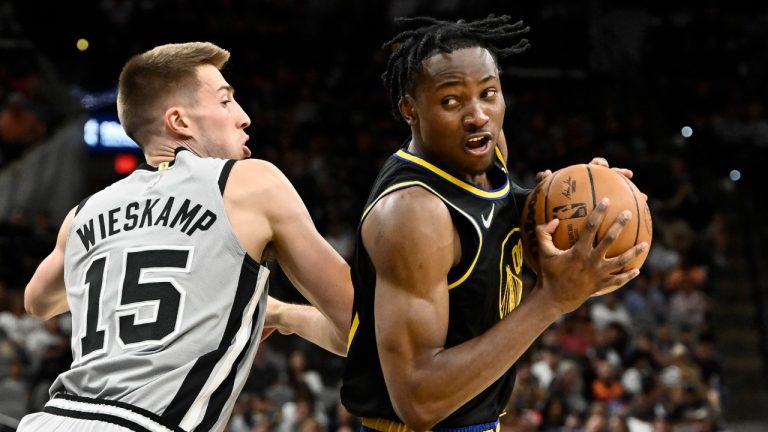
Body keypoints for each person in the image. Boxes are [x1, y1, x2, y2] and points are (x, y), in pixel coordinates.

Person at [18, 41, 353, 432]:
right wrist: (287, 315)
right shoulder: (251, 183)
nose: (244, 117)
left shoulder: (84, 213)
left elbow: (37, 302)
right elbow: (361, 326)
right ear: (179, 122)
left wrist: (276, 312)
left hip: (49, 420)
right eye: (225, 101)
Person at [339, 15, 647, 432]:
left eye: (488, 94)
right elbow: (418, 400)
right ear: (409, 109)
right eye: (451, 101)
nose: (478, 116)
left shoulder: (487, 151)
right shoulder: (413, 215)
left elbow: (493, 230)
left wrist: (577, 204)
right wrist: (552, 300)